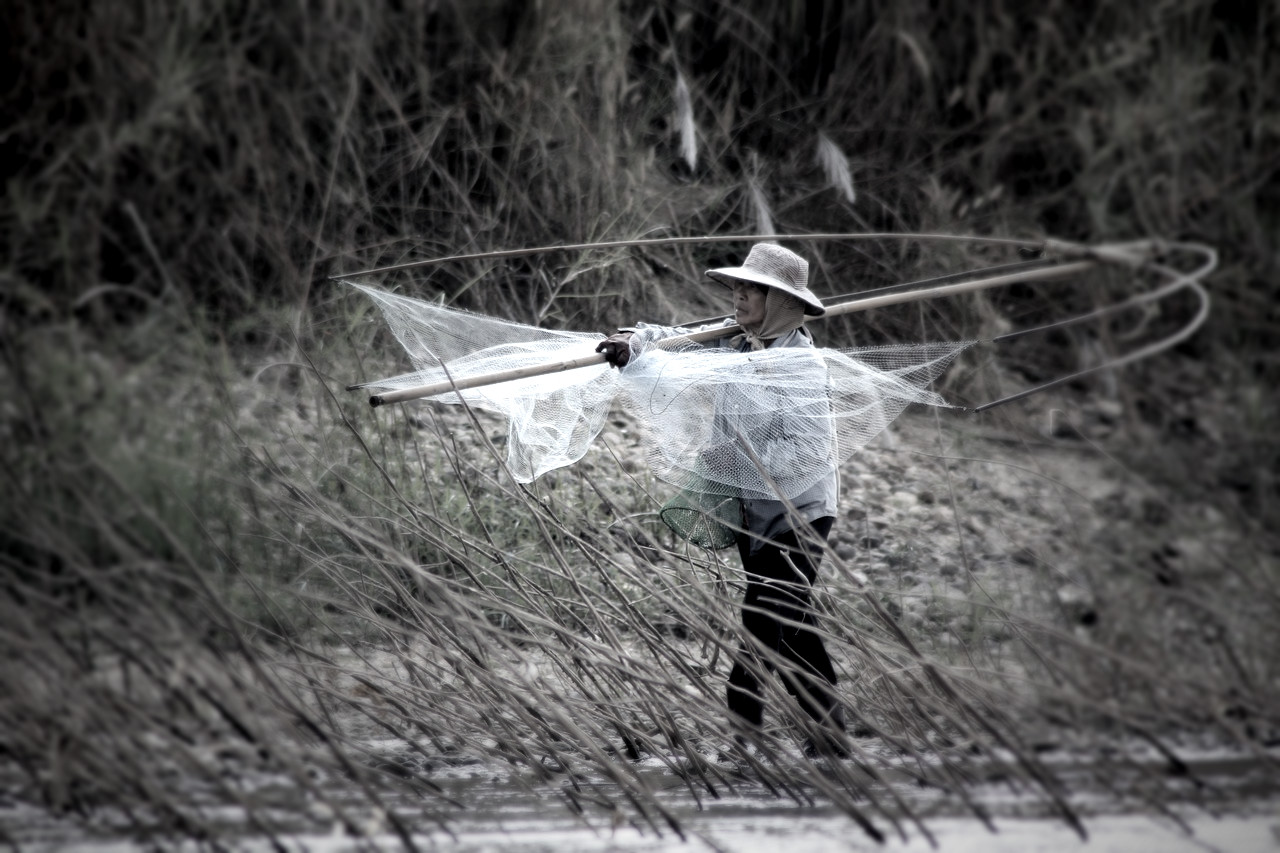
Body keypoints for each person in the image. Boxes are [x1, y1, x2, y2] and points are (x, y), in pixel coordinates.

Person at [596, 242, 849, 757]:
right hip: (752, 511)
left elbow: (803, 454)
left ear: (780, 302)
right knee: (794, 629)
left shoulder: (801, 366)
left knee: (762, 626)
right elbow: (676, 341)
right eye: (736, 286)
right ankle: (831, 741)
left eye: (751, 289)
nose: (738, 296)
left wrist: (735, 452)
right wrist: (633, 342)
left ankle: (744, 743)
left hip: (798, 515)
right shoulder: (738, 343)